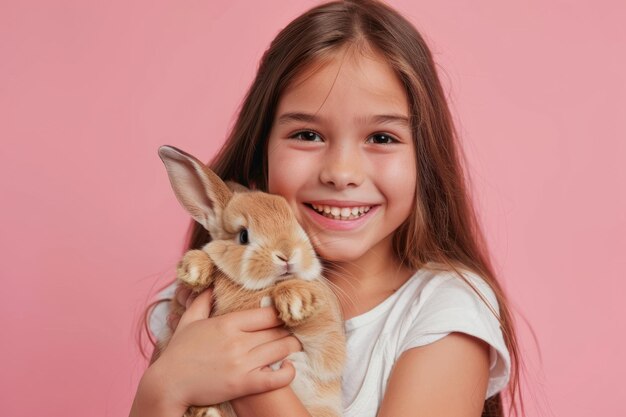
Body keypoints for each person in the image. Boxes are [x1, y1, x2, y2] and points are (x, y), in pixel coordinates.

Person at [130, 1, 523, 416]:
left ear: (424, 157)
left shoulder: (445, 315)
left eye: (382, 138)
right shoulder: (192, 301)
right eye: (307, 134)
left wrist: (250, 378)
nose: (341, 172)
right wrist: (162, 387)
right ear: (262, 148)